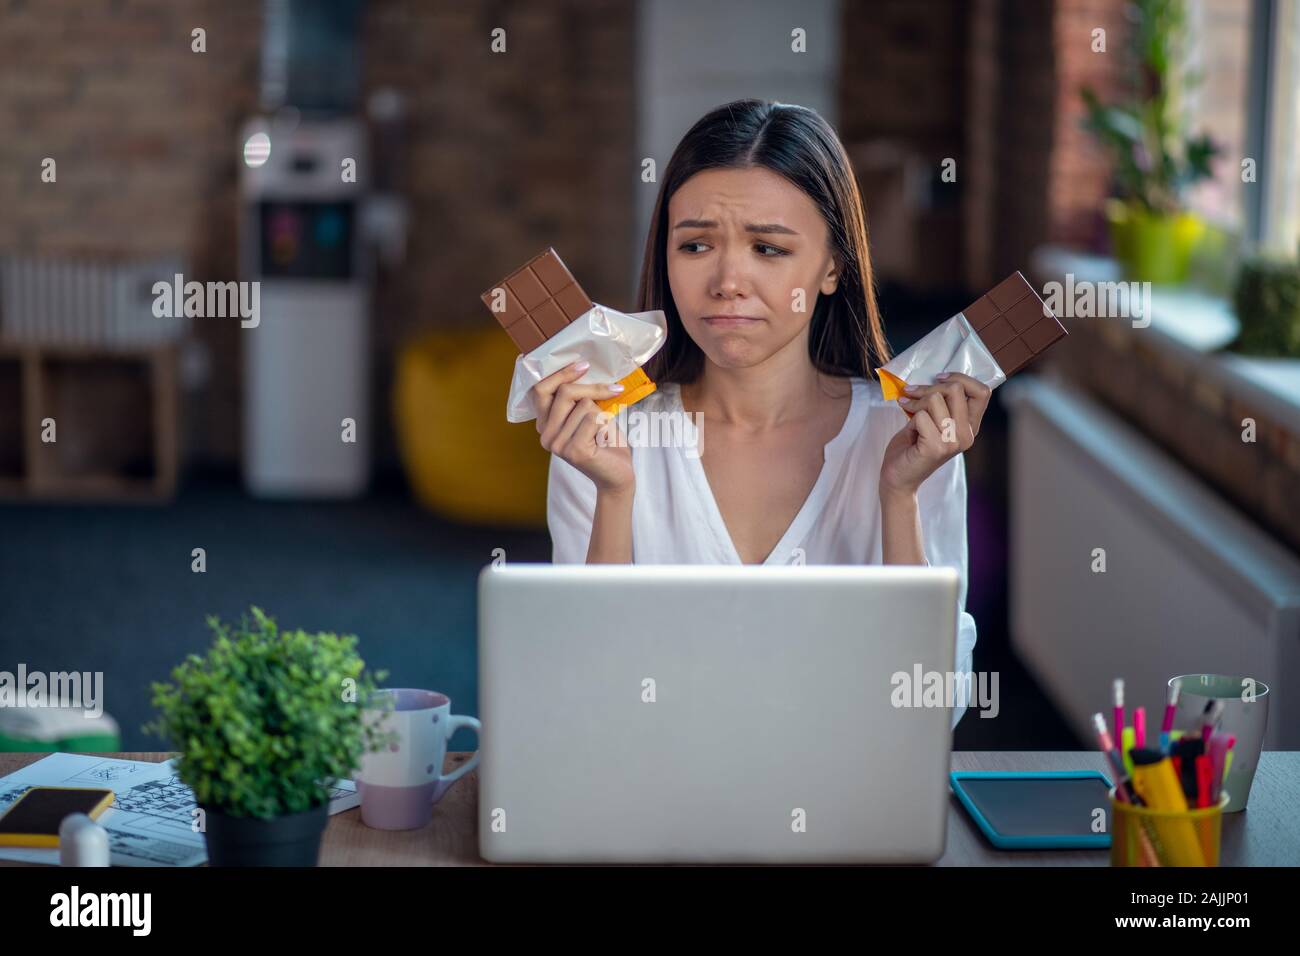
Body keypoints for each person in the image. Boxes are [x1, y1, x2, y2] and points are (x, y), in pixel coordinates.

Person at [532, 99, 987, 725]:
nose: (727, 280)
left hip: (844, 808)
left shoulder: (905, 438)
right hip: (656, 806)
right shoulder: (604, 439)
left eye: (768, 250)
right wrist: (614, 494)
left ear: (831, 268)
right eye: (695, 245)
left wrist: (899, 496)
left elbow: (933, 708)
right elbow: (588, 699)